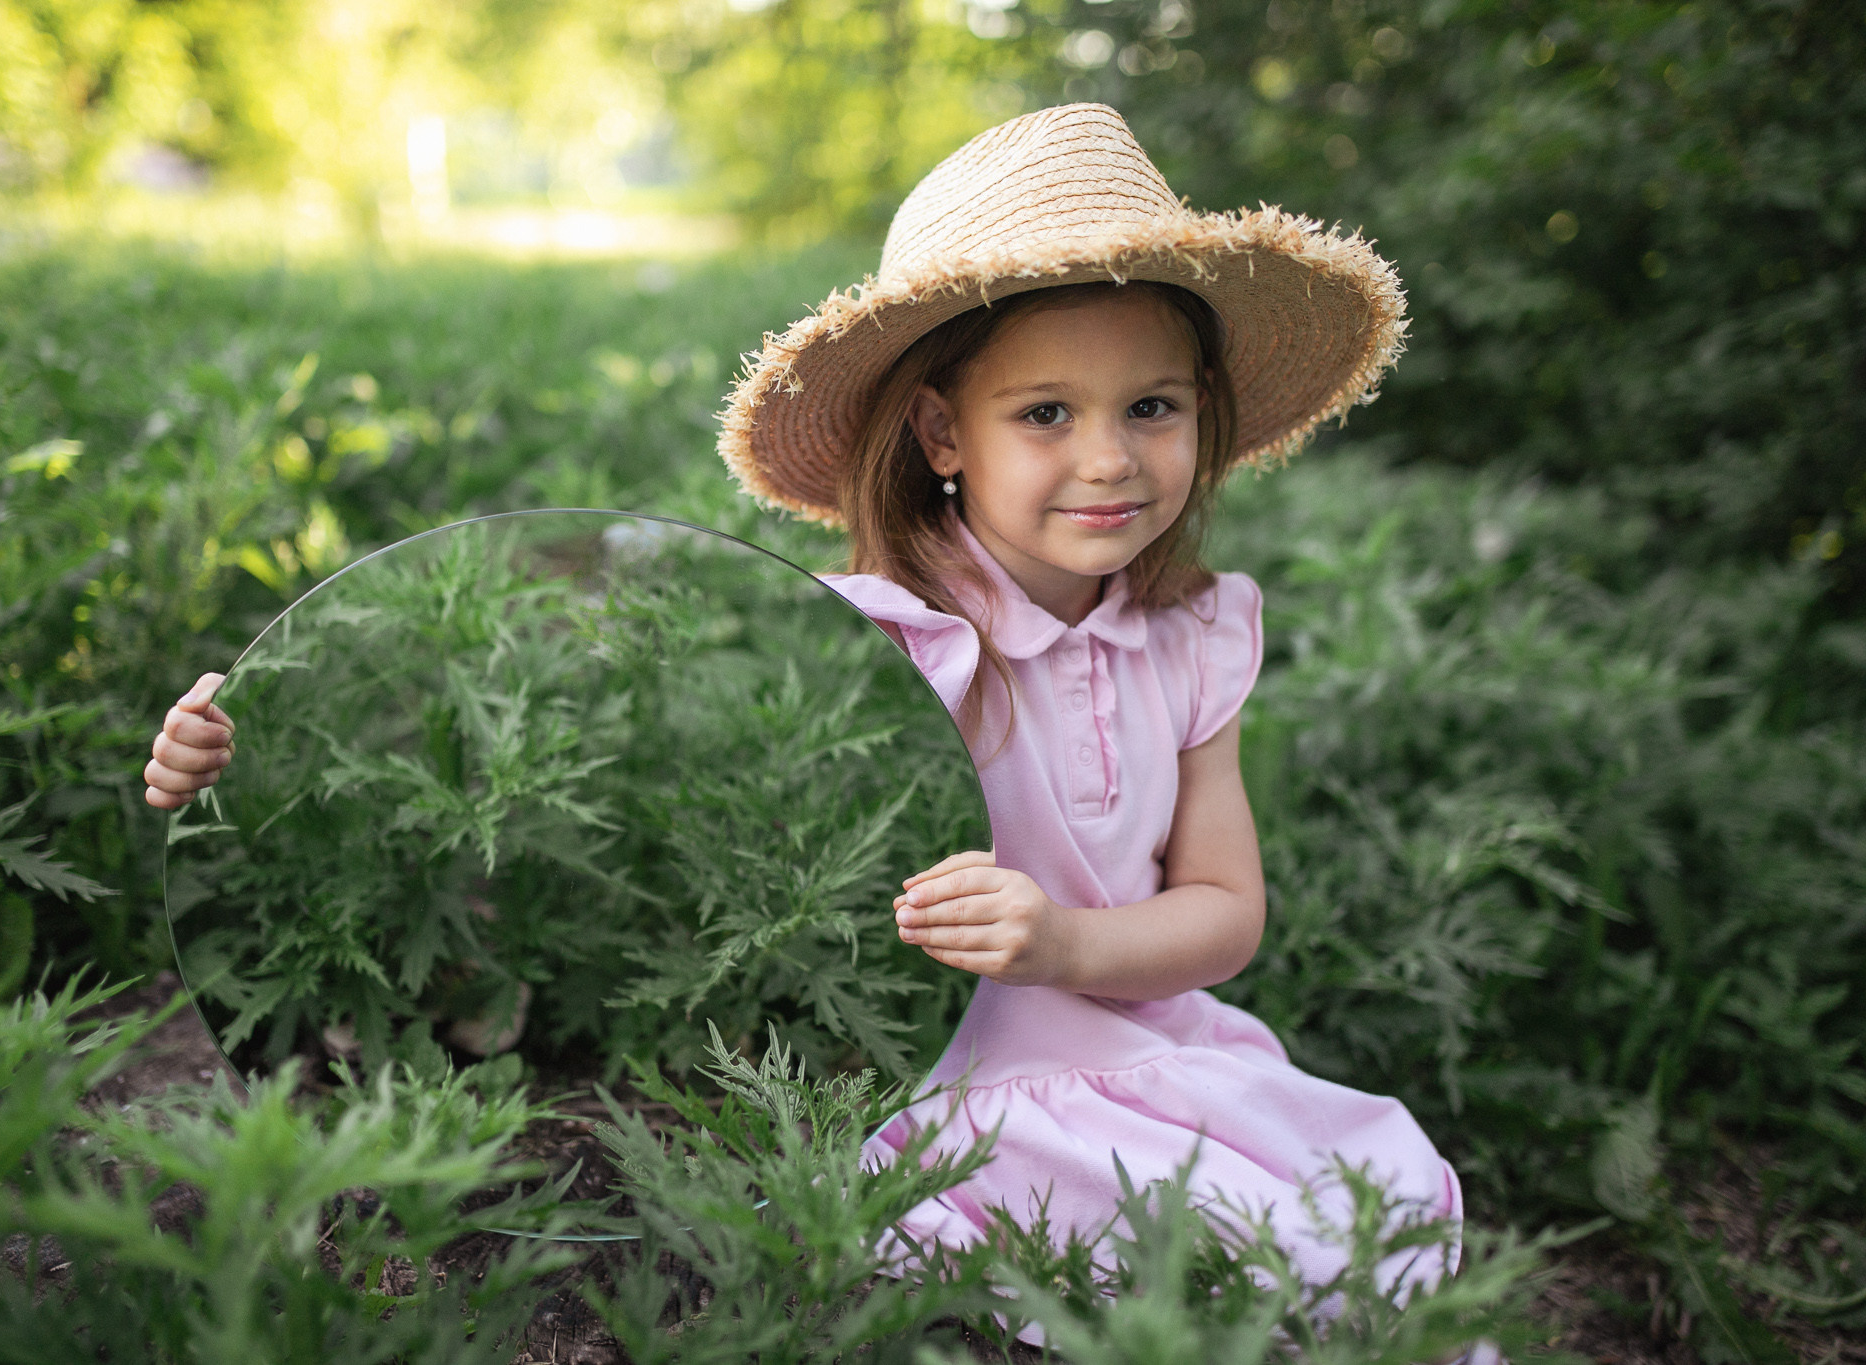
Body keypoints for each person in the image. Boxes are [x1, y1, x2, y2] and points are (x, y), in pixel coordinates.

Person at [145, 102, 1458, 1303]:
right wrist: (258, 748)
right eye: (1046, 412)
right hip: (927, 1071)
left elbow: (1225, 913)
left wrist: (1064, 946)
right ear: (945, 436)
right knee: (1151, 1229)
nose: (1109, 458)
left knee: (1363, 1200)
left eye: (1153, 406)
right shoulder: (871, 641)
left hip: (1146, 1038)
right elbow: (586, 789)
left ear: (1206, 414)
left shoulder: (1193, 633)